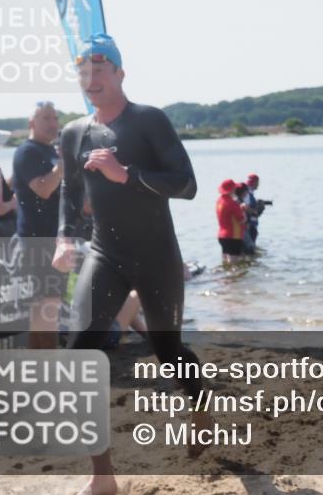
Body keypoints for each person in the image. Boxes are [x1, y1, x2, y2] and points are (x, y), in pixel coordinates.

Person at [53, 34, 212, 493]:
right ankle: (103, 478)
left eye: (101, 69)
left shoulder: (148, 122)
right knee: (78, 354)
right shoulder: (73, 133)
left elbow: (187, 184)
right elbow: (70, 195)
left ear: (120, 73)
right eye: (84, 72)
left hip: (157, 256)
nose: (91, 79)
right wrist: (65, 237)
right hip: (105, 253)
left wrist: (128, 175)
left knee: (168, 352)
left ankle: (199, 403)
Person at [12, 101, 67, 350]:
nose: (52, 123)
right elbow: (43, 189)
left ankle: (47, 362)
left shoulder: (51, 152)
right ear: (31, 123)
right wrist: (63, 165)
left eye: (55, 118)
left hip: (54, 240)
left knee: (51, 306)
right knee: (40, 307)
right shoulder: (28, 151)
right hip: (35, 240)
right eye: (46, 118)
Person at [216, 178, 247, 264]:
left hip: (222, 236)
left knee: (226, 262)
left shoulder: (219, 201)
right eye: (234, 188)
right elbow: (242, 220)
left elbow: (228, 215)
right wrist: (243, 210)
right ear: (231, 190)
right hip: (233, 237)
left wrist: (239, 208)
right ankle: (234, 277)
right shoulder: (233, 203)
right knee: (234, 265)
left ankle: (223, 277)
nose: (235, 190)